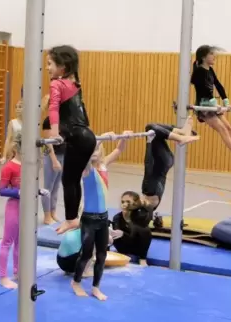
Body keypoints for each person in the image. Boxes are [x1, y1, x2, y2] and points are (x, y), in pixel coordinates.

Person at [70, 130, 130, 300]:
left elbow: (118, 150)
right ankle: (76, 282)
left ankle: (96, 287)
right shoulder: (86, 168)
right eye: (93, 150)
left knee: (102, 255)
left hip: (103, 218)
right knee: (87, 254)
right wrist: (99, 139)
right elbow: (87, 156)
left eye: (98, 149)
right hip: (89, 219)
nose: (95, 153)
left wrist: (123, 137)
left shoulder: (103, 165)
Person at [46, 45, 97, 235]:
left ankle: (70, 218)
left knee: (69, 180)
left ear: (63, 67)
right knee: (73, 180)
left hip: (77, 137)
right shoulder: (75, 84)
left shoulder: (57, 84)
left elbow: (53, 108)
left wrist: (53, 132)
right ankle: (73, 218)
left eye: (50, 64)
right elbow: (82, 114)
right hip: (87, 136)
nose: (48, 68)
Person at [190, 45, 231, 168]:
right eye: (212, 54)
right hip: (204, 106)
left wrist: (226, 101)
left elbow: (218, 85)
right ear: (204, 57)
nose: (214, 56)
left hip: (211, 103)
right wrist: (215, 104)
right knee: (223, 129)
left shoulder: (209, 70)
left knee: (230, 128)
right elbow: (203, 89)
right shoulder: (199, 71)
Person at [0, 133, 49, 289]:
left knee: (20, 242)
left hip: (26, 207)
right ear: (20, 148)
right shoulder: (9, 167)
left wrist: (38, 191)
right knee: (8, 241)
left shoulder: (28, 166)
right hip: (14, 206)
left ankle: (17, 271)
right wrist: (17, 193)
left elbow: (28, 186)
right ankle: (3, 276)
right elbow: (1, 190)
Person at [140, 117, 199, 211]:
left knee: (153, 128)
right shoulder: (148, 190)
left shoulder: (154, 199)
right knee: (150, 128)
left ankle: (181, 132)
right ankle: (180, 137)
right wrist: (148, 142)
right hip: (161, 161)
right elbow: (148, 164)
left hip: (166, 161)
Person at [41, 95, 65, 225]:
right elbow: (48, 142)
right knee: (48, 187)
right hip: (51, 156)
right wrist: (54, 160)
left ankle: (53, 212)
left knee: (56, 187)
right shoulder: (48, 120)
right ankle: (46, 215)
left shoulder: (62, 121)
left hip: (63, 154)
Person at [112, 191, 153, 266]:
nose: (124, 204)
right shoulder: (117, 217)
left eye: (128, 202)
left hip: (137, 247)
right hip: (123, 247)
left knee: (145, 230)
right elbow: (117, 236)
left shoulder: (140, 215)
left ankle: (142, 258)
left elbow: (150, 210)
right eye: (123, 202)